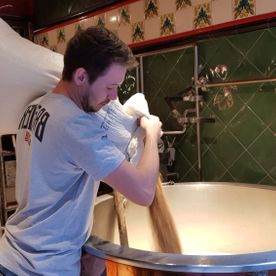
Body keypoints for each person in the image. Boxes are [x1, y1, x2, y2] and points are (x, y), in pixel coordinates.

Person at [0, 26, 162, 275]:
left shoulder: (34, 107)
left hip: (13, 254)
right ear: (81, 77)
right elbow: (143, 192)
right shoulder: (76, 126)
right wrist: (151, 134)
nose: (113, 97)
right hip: (43, 267)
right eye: (109, 87)